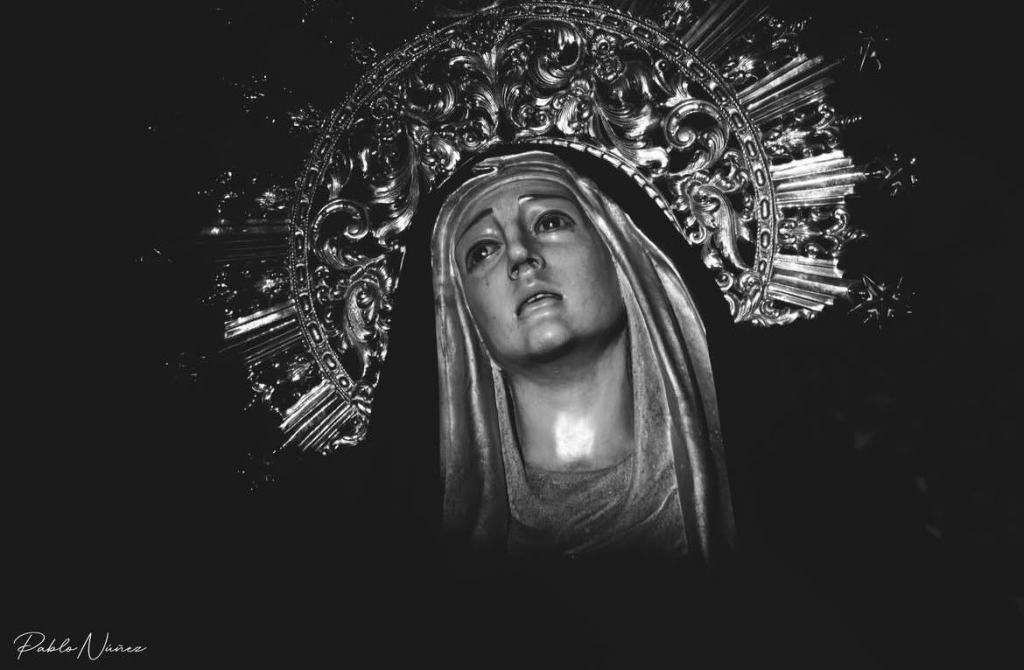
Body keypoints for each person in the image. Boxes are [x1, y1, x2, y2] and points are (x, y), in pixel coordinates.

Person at [431, 150, 734, 561]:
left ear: (619, 254)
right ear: (465, 315)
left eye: (550, 222)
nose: (520, 256)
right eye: (483, 250)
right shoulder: (445, 547)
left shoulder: (741, 486)